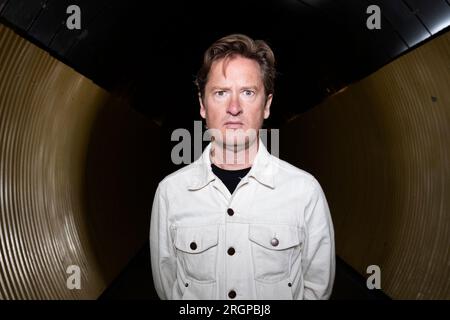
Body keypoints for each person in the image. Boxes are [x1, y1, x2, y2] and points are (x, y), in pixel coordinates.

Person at [150, 34, 335, 300]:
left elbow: (317, 289)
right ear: (202, 105)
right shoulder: (171, 193)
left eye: (248, 92)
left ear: (267, 105)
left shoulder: (305, 192)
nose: (234, 107)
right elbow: (169, 289)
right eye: (221, 93)